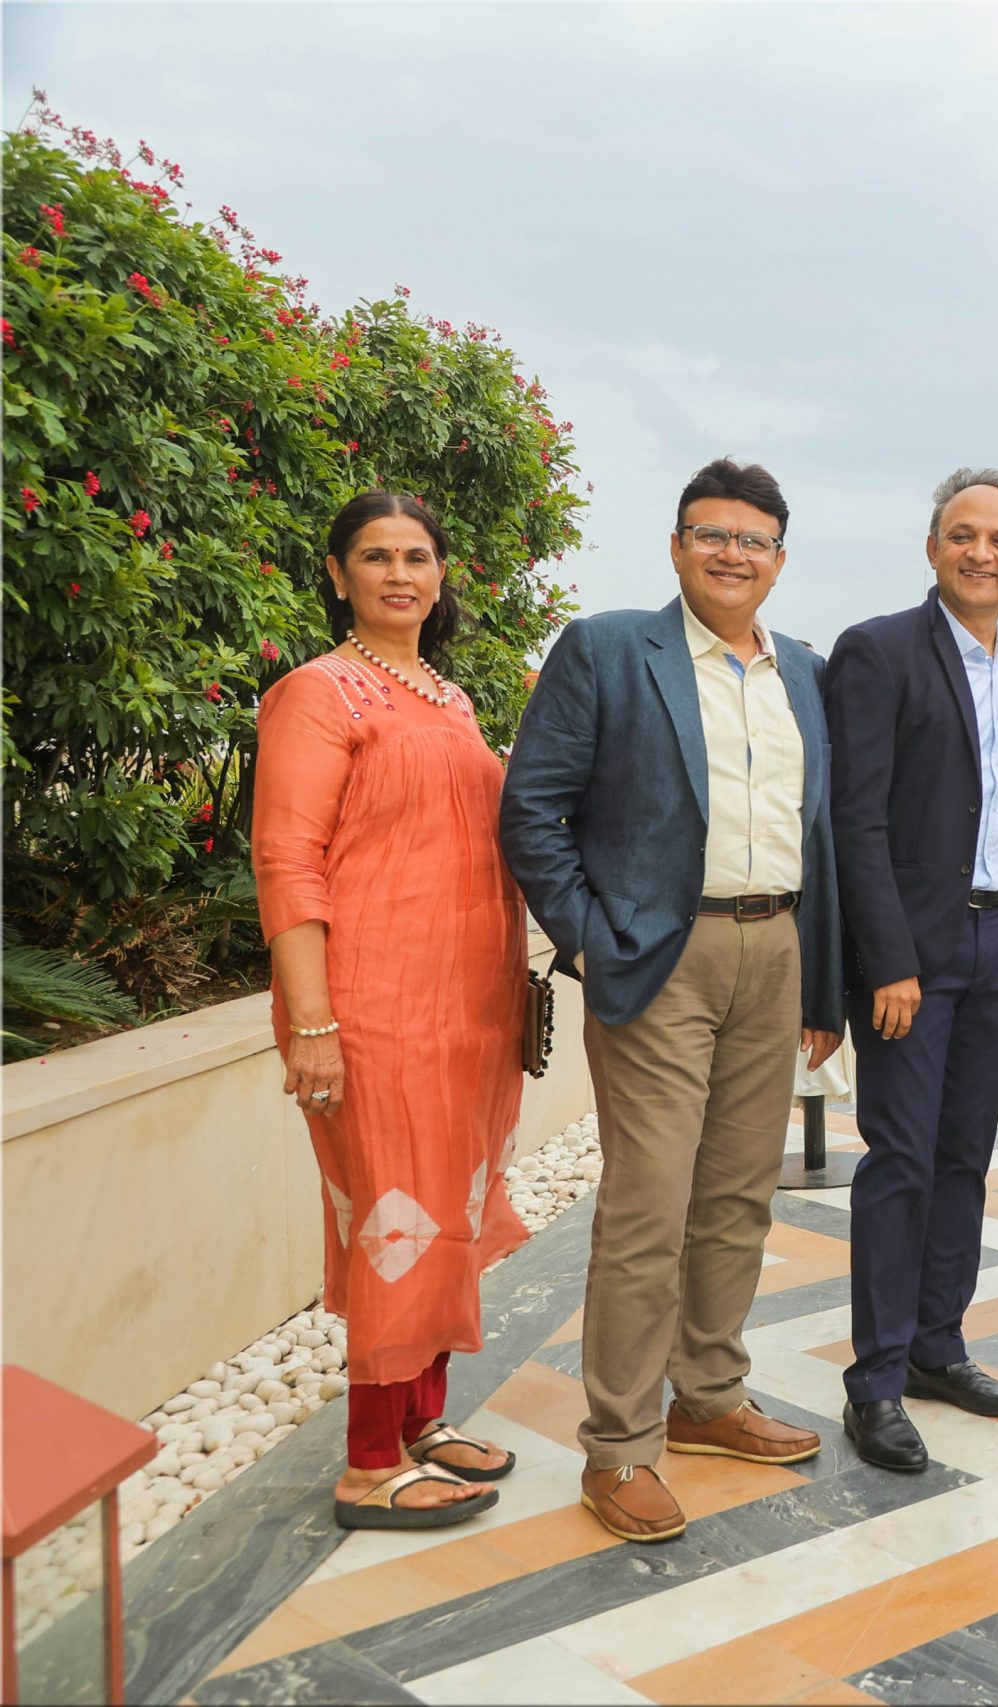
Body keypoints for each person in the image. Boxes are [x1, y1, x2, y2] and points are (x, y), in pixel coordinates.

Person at [500, 458, 842, 1545]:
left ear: (779, 559)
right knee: (650, 1203)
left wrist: (824, 981)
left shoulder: (804, 669)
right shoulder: (609, 650)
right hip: (659, 955)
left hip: (775, 948)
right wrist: (588, 941)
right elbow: (532, 811)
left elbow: (824, 833)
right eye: (712, 534)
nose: (732, 554)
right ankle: (619, 1444)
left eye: (753, 539)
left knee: (738, 1195)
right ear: (677, 546)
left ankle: (709, 1395)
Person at [254, 491, 528, 1530]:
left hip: (466, 1010)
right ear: (338, 575)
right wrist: (313, 1023)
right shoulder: (318, 693)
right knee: (393, 1219)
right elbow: (285, 861)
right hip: (371, 1008)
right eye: (376, 556)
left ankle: (420, 1422)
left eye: (418, 555)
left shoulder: (450, 700)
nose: (400, 574)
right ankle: (369, 1462)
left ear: (441, 573)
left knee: (445, 1210)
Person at [828, 467, 998, 1471]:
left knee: (965, 1155)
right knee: (902, 1160)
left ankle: (937, 1346)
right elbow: (858, 818)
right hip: (914, 954)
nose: (980, 553)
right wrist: (888, 958)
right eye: (963, 534)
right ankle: (875, 1382)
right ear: (932, 548)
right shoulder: (878, 652)